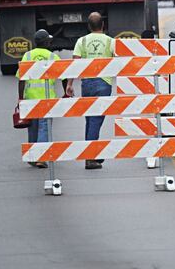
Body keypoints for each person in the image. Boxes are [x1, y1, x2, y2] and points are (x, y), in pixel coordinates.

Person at [66, 12, 115, 170]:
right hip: (103, 82)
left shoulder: (82, 41)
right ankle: (90, 157)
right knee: (96, 120)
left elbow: (75, 64)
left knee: (90, 119)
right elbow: (122, 60)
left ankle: (91, 153)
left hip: (87, 83)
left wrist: (69, 84)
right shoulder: (110, 41)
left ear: (88, 26)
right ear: (103, 26)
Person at [17, 29, 60, 168]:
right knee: (44, 128)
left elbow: (21, 78)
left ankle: (32, 156)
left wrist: (20, 98)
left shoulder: (27, 56)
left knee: (33, 128)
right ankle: (41, 157)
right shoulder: (53, 57)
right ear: (47, 42)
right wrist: (67, 90)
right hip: (47, 99)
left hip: (30, 98)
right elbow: (64, 75)